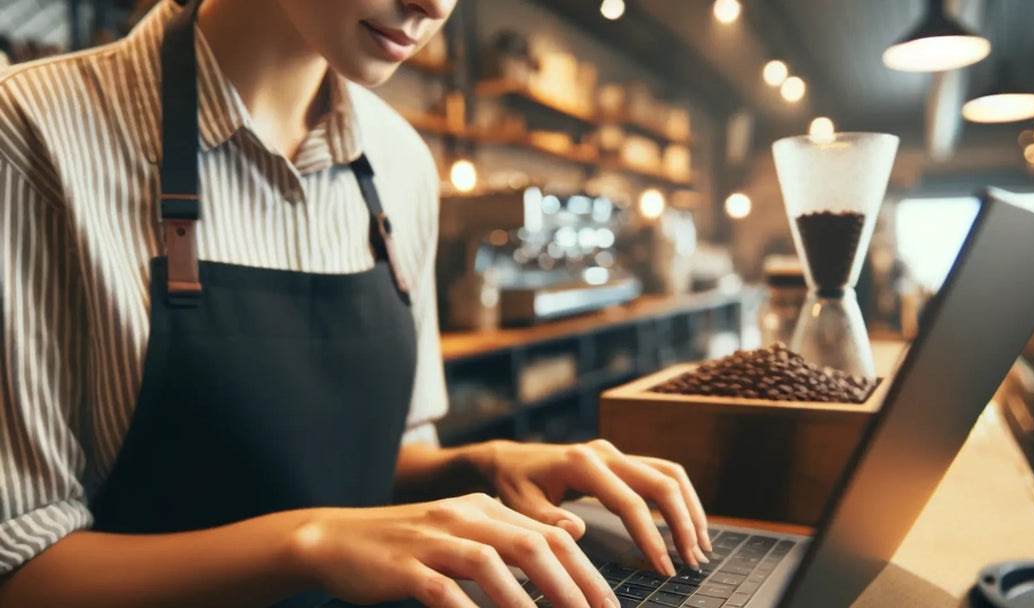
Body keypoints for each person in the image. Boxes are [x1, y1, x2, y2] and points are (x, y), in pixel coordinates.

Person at [0, 1, 713, 607]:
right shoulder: (35, 133)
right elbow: (21, 565)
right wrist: (304, 543)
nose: (434, 4)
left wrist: (483, 465)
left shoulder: (400, 162)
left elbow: (385, 457)